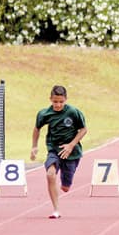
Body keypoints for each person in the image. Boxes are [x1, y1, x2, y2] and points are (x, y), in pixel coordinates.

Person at [31, 85, 88, 219]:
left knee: (65, 188)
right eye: (55, 101)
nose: (58, 105)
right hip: (54, 149)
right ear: (50, 99)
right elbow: (37, 128)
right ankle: (56, 209)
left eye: (61, 102)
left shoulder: (73, 112)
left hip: (72, 153)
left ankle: (66, 181)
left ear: (66, 99)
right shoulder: (44, 114)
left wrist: (71, 145)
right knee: (50, 174)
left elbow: (84, 129)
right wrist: (34, 146)